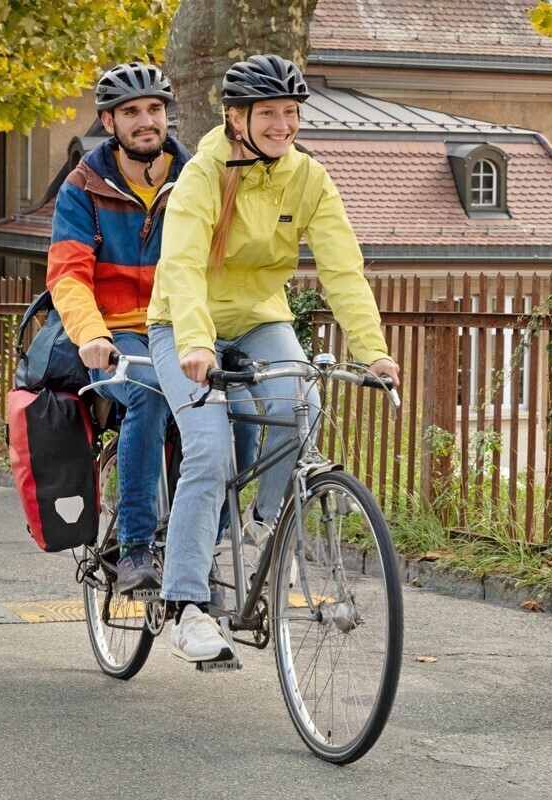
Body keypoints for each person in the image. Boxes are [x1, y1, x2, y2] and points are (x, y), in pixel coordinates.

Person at [146, 54, 401, 663]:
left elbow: (342, 268)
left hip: (262, 318)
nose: (283, 124)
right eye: (269, 113)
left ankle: (265, 530)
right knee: (210, 448)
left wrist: (373, 352)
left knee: (302, 403)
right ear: (237, 118)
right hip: (183, 327)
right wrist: (196, 345)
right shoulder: (201, 177)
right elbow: (180, 266)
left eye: (291, 112)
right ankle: (185, 607)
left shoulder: (308, 177)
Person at [47, 61, 189, 593]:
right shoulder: (82, 187)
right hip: (117, 333)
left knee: (235, 409)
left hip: (181, 325)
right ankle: (134, 549)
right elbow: (68, 276)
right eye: (131, 112)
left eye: (154, 109)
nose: (146, 120)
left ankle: (200, 547)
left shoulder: (194, 179)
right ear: (109, 123)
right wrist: (92, 336)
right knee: (148, 394)